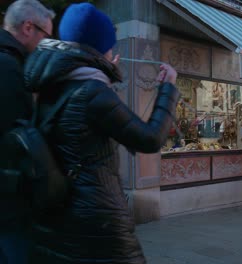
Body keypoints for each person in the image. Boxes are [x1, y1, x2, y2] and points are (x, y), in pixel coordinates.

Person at [24, 3, 180, 263]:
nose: (113, 51)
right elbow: (150, 138)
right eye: (110, 45)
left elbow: (89, 124)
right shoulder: (93, 92)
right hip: (96, 216)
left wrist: (105, 73)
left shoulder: (51, 83)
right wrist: (168, 88)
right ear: (99, 47)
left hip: (55, 211)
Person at [0, 1, 54, 263]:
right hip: (10, 205)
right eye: (47, 35)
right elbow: (23, 138)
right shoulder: (10, 69)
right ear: (28, 28)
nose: (47, 42)